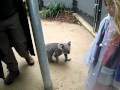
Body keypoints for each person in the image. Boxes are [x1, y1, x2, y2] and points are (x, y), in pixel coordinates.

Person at [84, 0, 120, 90]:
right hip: (98, 64)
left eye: (111, 4)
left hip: (110, 71)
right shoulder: (106, 21)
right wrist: (92, 58)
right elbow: (97, 41)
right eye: (106, 4)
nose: (106, 8)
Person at [0, 0, 35, 85]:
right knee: (2, 48)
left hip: (12, 13)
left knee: (20, 42)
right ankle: (13, 69)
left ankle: (26, 55)